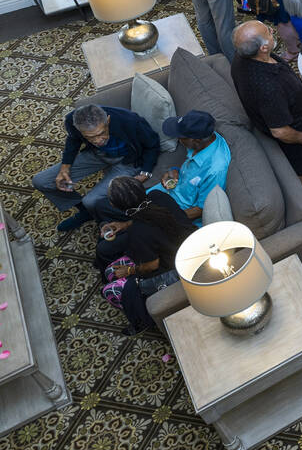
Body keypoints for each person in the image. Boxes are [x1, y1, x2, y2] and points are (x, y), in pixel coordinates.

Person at [230, 21, 302, 207]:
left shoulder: (243, 57)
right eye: (269, 32)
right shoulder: (266, 87)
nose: (272, 31)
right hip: (293, 127)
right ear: (264, 48)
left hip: (291, 112)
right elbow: (280, 131)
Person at [31, 104, 158, 232]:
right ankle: (85, 212)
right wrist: (65, 167)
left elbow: (153, 145)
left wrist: (145, 173)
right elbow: (73, 139)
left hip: (128, 161)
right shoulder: (72, 120)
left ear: (107, 120)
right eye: (90, 137)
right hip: (97, 155)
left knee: (91, 201)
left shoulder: (130, 120)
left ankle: (96, 215)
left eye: (101, 133)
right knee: (41, 181)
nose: (98, 141)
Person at [96, 176, 193, 335]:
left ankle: (142, 321)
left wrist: (129, 271)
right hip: (189, 245)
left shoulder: (138, 233)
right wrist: (125, 224)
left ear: (114, 206)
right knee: (111, 271)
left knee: (111, 289)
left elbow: (152, 265)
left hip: (175, 268)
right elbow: (151, 218)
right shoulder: (158, 196)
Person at [146, 110, 231, 224]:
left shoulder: (215, 170)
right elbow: (191, 170)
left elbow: (201, 210)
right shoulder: (204, 137)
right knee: (129, 203)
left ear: (196, 140)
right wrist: (175, 171)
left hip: (180, 210)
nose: (178, 140)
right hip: (170, 190)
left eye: (180, 137)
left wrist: (165, 218)